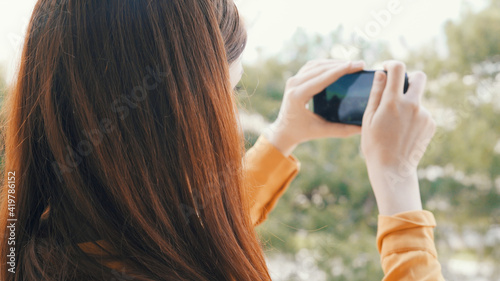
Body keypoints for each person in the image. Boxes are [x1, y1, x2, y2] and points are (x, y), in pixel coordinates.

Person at [0, 0, 444, 280]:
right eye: (225, 98)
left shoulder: (32, 242)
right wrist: (398, 183)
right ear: (172, 121)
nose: (229, 122)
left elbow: (179, 224)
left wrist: (282, 135)